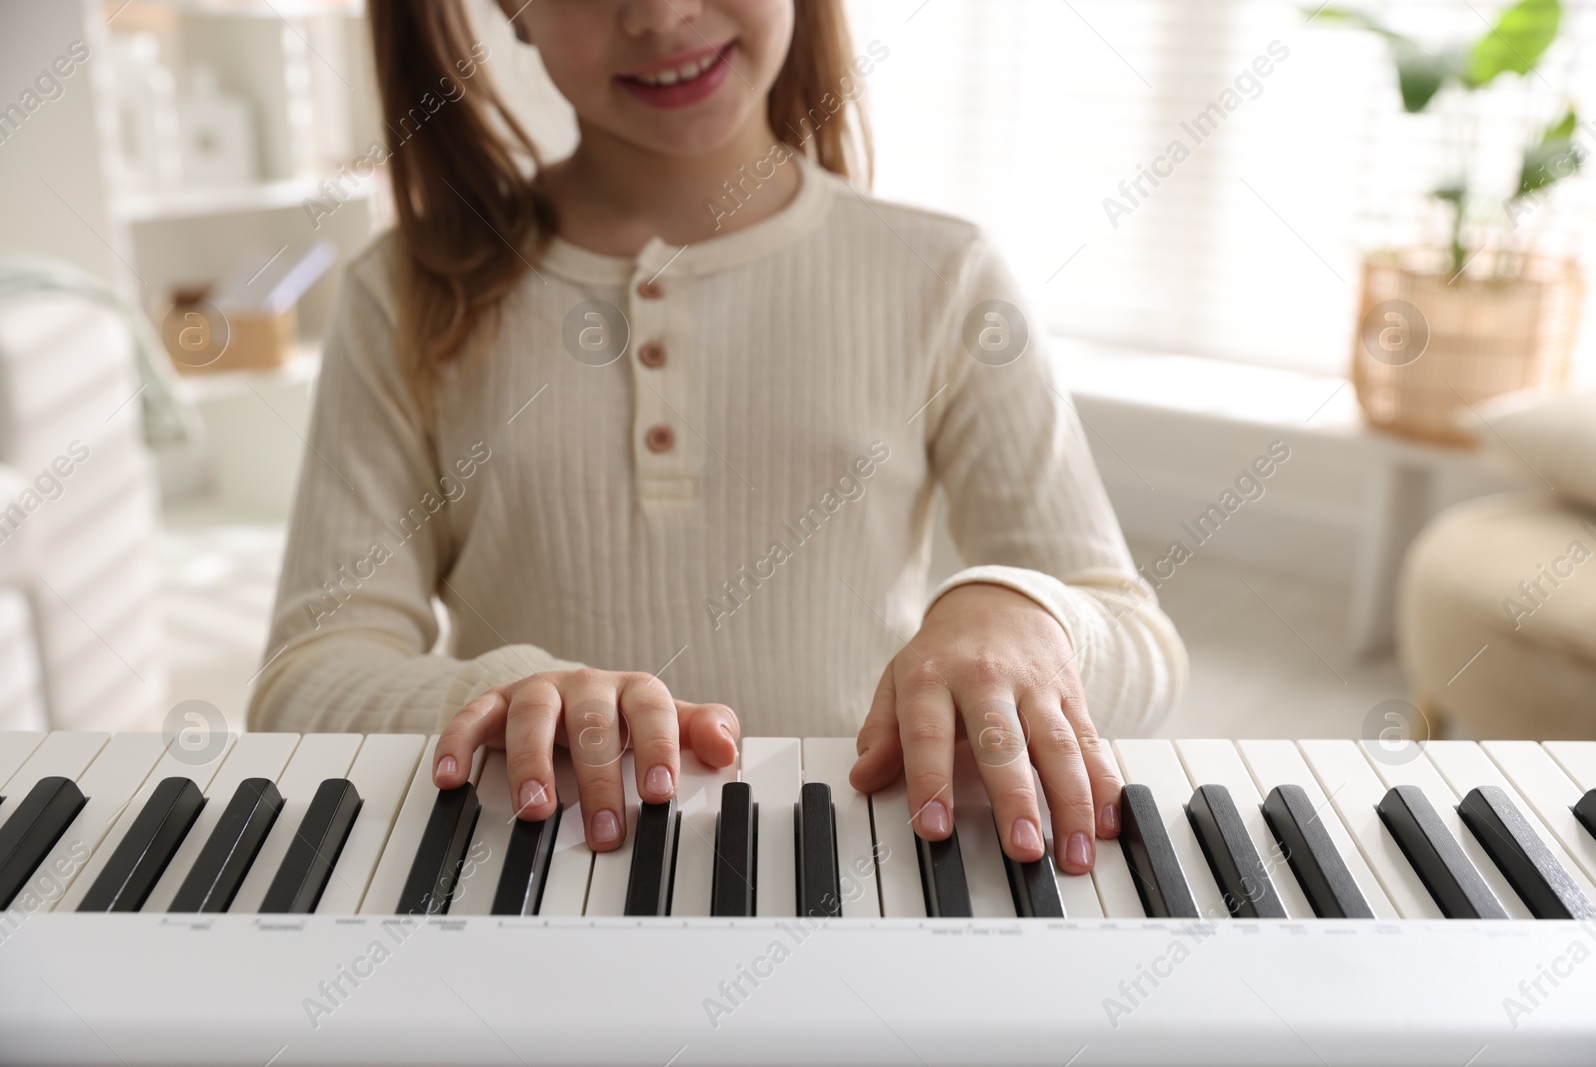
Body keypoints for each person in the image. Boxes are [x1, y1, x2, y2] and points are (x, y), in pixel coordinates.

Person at [249, 0, 1186, 875]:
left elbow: (1140, 644)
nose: (658, 16)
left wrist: (1026, 614)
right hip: (542, 873)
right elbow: (305, 682)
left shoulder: (944, 274)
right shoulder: (400, 292)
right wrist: (501, 699)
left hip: (862, 869)